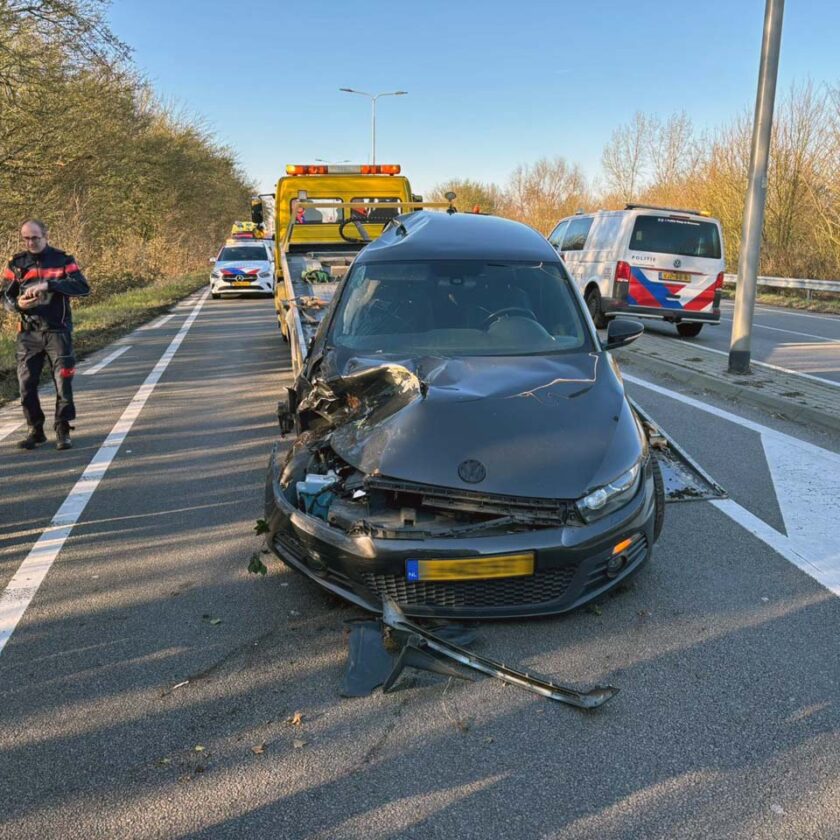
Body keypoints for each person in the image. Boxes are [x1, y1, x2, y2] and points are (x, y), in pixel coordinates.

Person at [2, 219, 90, 450]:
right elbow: (5, 297)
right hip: (28, 334)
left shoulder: (63, 259)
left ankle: (62, 428)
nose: (30, 242)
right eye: (26, 238)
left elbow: (83, 287)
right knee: (26, 385)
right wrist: (18, 305)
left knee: (63, 383)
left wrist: (49, 285)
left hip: (58, 331)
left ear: (45, 235)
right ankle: (35, 430)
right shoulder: (16, 263)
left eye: (35, 237)